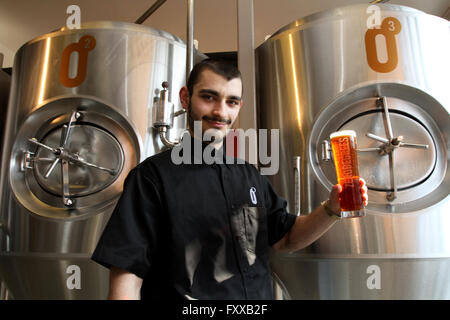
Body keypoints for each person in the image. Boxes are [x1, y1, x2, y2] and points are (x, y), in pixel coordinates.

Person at [91, 58, 368, 300]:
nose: (221, 112)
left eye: (231, 101)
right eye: (209, 97)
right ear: (186, 98)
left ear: (238, 107)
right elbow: (126, 280)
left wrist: (332, 208)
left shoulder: (249, 176)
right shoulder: (152, 178)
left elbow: (285, 239)